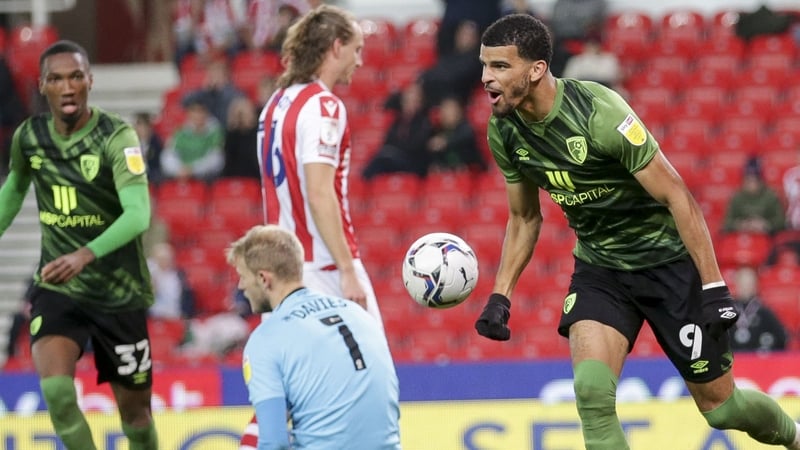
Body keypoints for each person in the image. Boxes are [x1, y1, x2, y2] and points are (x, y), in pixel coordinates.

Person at [473, 14, 800, 450]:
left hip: (668, 267)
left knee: (724, 409)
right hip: (601, 269)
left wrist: (715, 286)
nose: (485, 78)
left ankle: (794, 436)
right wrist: (501, 295)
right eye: (484, 65)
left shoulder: (599, 114)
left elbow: (678, 196)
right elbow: (524, 218)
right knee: (591, 394)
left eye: (499, 66)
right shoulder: (504, 129)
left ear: (535, 70)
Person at [0, 40, 158, 449]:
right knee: (56, 394)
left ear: (90, 81)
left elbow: (139, 214)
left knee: (136, 415)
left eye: (75, 77)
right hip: (58, 288)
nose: (67, 87)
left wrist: (85, 254)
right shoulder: (30, 138)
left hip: (118, 292)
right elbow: (14, 191)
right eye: (56, 79)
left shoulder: (116, 137)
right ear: (42, 85)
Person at [247, 5, 388, 447]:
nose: (360, 61)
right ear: (335, 47)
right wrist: (347, 269)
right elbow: (319, 192)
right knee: (371, 383)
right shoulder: (325, 106)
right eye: (357, 50)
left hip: (284, 268)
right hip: (323, 269)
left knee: (284, 398)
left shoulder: (275, 103)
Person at [228, 224, 401, 449]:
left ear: (263, 278)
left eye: (242, 276)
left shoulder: (266, 339)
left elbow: (273, 442)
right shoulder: (359, 314)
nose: (241, 286)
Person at [361, 81, 433, 180]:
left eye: (413, 101)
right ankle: (362, 186)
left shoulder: (423, 122)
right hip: (395, 158)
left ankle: (362, 181)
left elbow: (417, 146)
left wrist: (396, 149)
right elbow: (388, 140)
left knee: (383, 157)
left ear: (420, 103)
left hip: (413, 163)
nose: (409, 104)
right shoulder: (398, 121)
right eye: (406, 101)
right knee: (383, 156)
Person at [161, 98, 225, 181]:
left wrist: (193, 170)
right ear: (188, 113)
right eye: (194, 111)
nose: (197, 115)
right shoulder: (180, 132)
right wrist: (178, 170)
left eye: (201, 111)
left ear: (207, 113)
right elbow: (169, 155)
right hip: (180, 175)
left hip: (205, 178)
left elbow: (216, 159)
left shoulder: (215, 133)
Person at [728, 266, 789, 352]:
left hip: (759, 362)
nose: (745, 287)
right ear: (736, 284)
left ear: (755, 285)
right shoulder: (727, 311)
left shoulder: (764, 311)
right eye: (742, 283)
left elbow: (781, 338)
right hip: (732, 361)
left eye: (748, 283)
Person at [723, 156, 785, 235]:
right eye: (748, 180)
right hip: (741, 237)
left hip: (766, 238)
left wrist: (766, 225)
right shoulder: (736, 197)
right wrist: (741, 225)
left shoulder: (771, 196)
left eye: (754, 180)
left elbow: (781, 222)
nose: (751, 184)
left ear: (761, 180)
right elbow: (726, 223)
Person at [426, 96, 487, 173]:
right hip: (448, 176)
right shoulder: (437, 131)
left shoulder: (466, 128)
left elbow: (466, 137)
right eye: (445, 109)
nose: (448, 113)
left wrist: (445, 141)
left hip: (472, 174)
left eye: (452, 109)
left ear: (459, 111)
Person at [147, 242, 196, 319]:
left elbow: (187, 296)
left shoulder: (179, 275)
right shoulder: (151, 274)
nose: (164, 261)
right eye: (161, 258)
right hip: (154, 315)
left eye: (167, 258)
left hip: (175, 315)